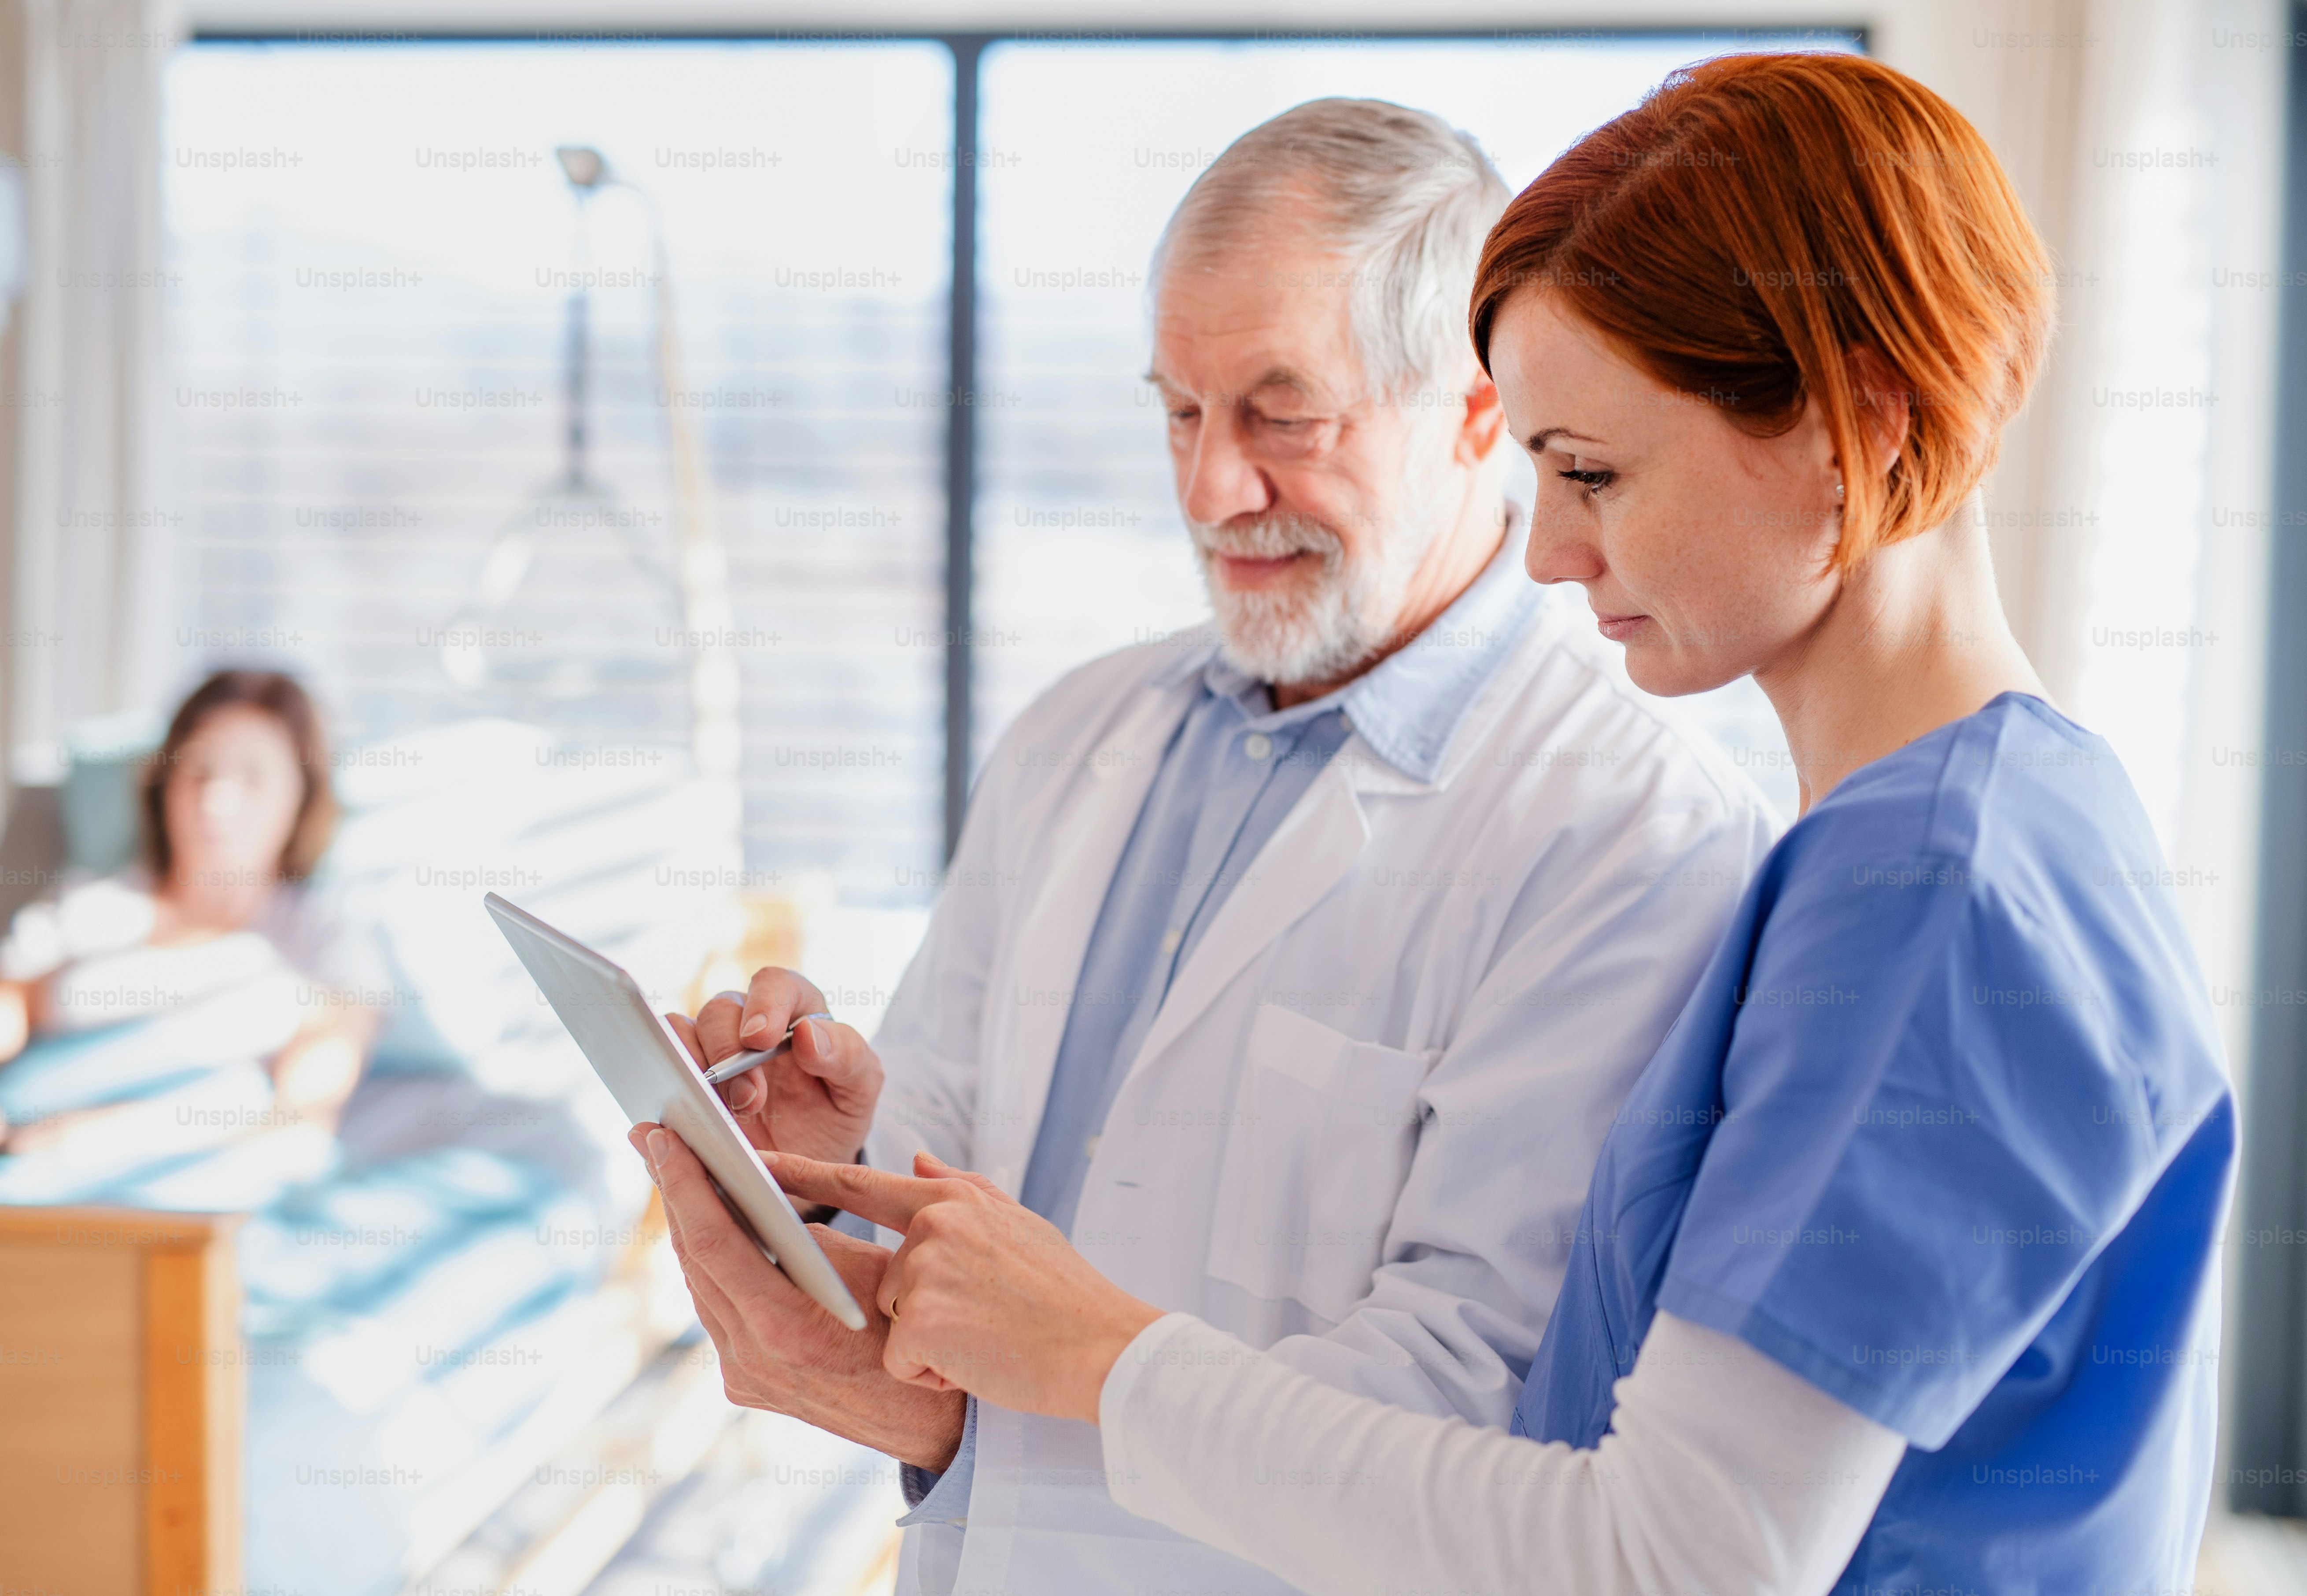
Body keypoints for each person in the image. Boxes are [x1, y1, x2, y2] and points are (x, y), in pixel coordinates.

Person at [703, 52, 2234, 1596]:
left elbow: (1671, 1552)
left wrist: (1098, 1358)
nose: (1552, 549)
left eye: (1589, 471)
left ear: (1852, 427)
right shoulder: (1907, 849)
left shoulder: (1927, 887)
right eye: (1176, 411)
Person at [650, 99, 1775, 1596]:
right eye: (1179, 412)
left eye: (1279, 417)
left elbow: (1479, 1395)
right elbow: (953, 1190)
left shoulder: (1628, 834)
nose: (1208, 490)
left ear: (1475, 410)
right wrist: (829, 1153)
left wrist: (993, 1405)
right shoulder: (1071, 737)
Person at [0, 670, 379, 1167]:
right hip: (27, 1147)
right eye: (198, 770)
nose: (215, 802)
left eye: (253, 776)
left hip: (182, 1171)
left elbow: (300, 1120)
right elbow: (13, 997)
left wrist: (105, 1136)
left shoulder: (322, 939)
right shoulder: (89, 903)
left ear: (302, 797)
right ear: (164, 783)